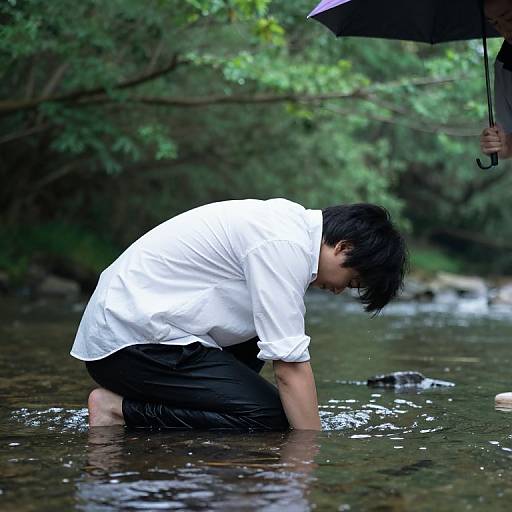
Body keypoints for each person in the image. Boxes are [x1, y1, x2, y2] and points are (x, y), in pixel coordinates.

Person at [71, 198, 407, 431]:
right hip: (128, 343)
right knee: (270, 418)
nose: (340, 290)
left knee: (267, 364)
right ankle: (118, 411)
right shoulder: (282, 244)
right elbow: (289, 368)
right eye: (353, 281)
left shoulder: (287, 229)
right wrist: (310, 452)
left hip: (142, 332)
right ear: (343, 248)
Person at [480, 0, 512, 159]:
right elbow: (509, 138)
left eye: (509, 18)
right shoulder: (503, 66)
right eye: (495, 24)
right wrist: (501, 145)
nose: (505, 29)